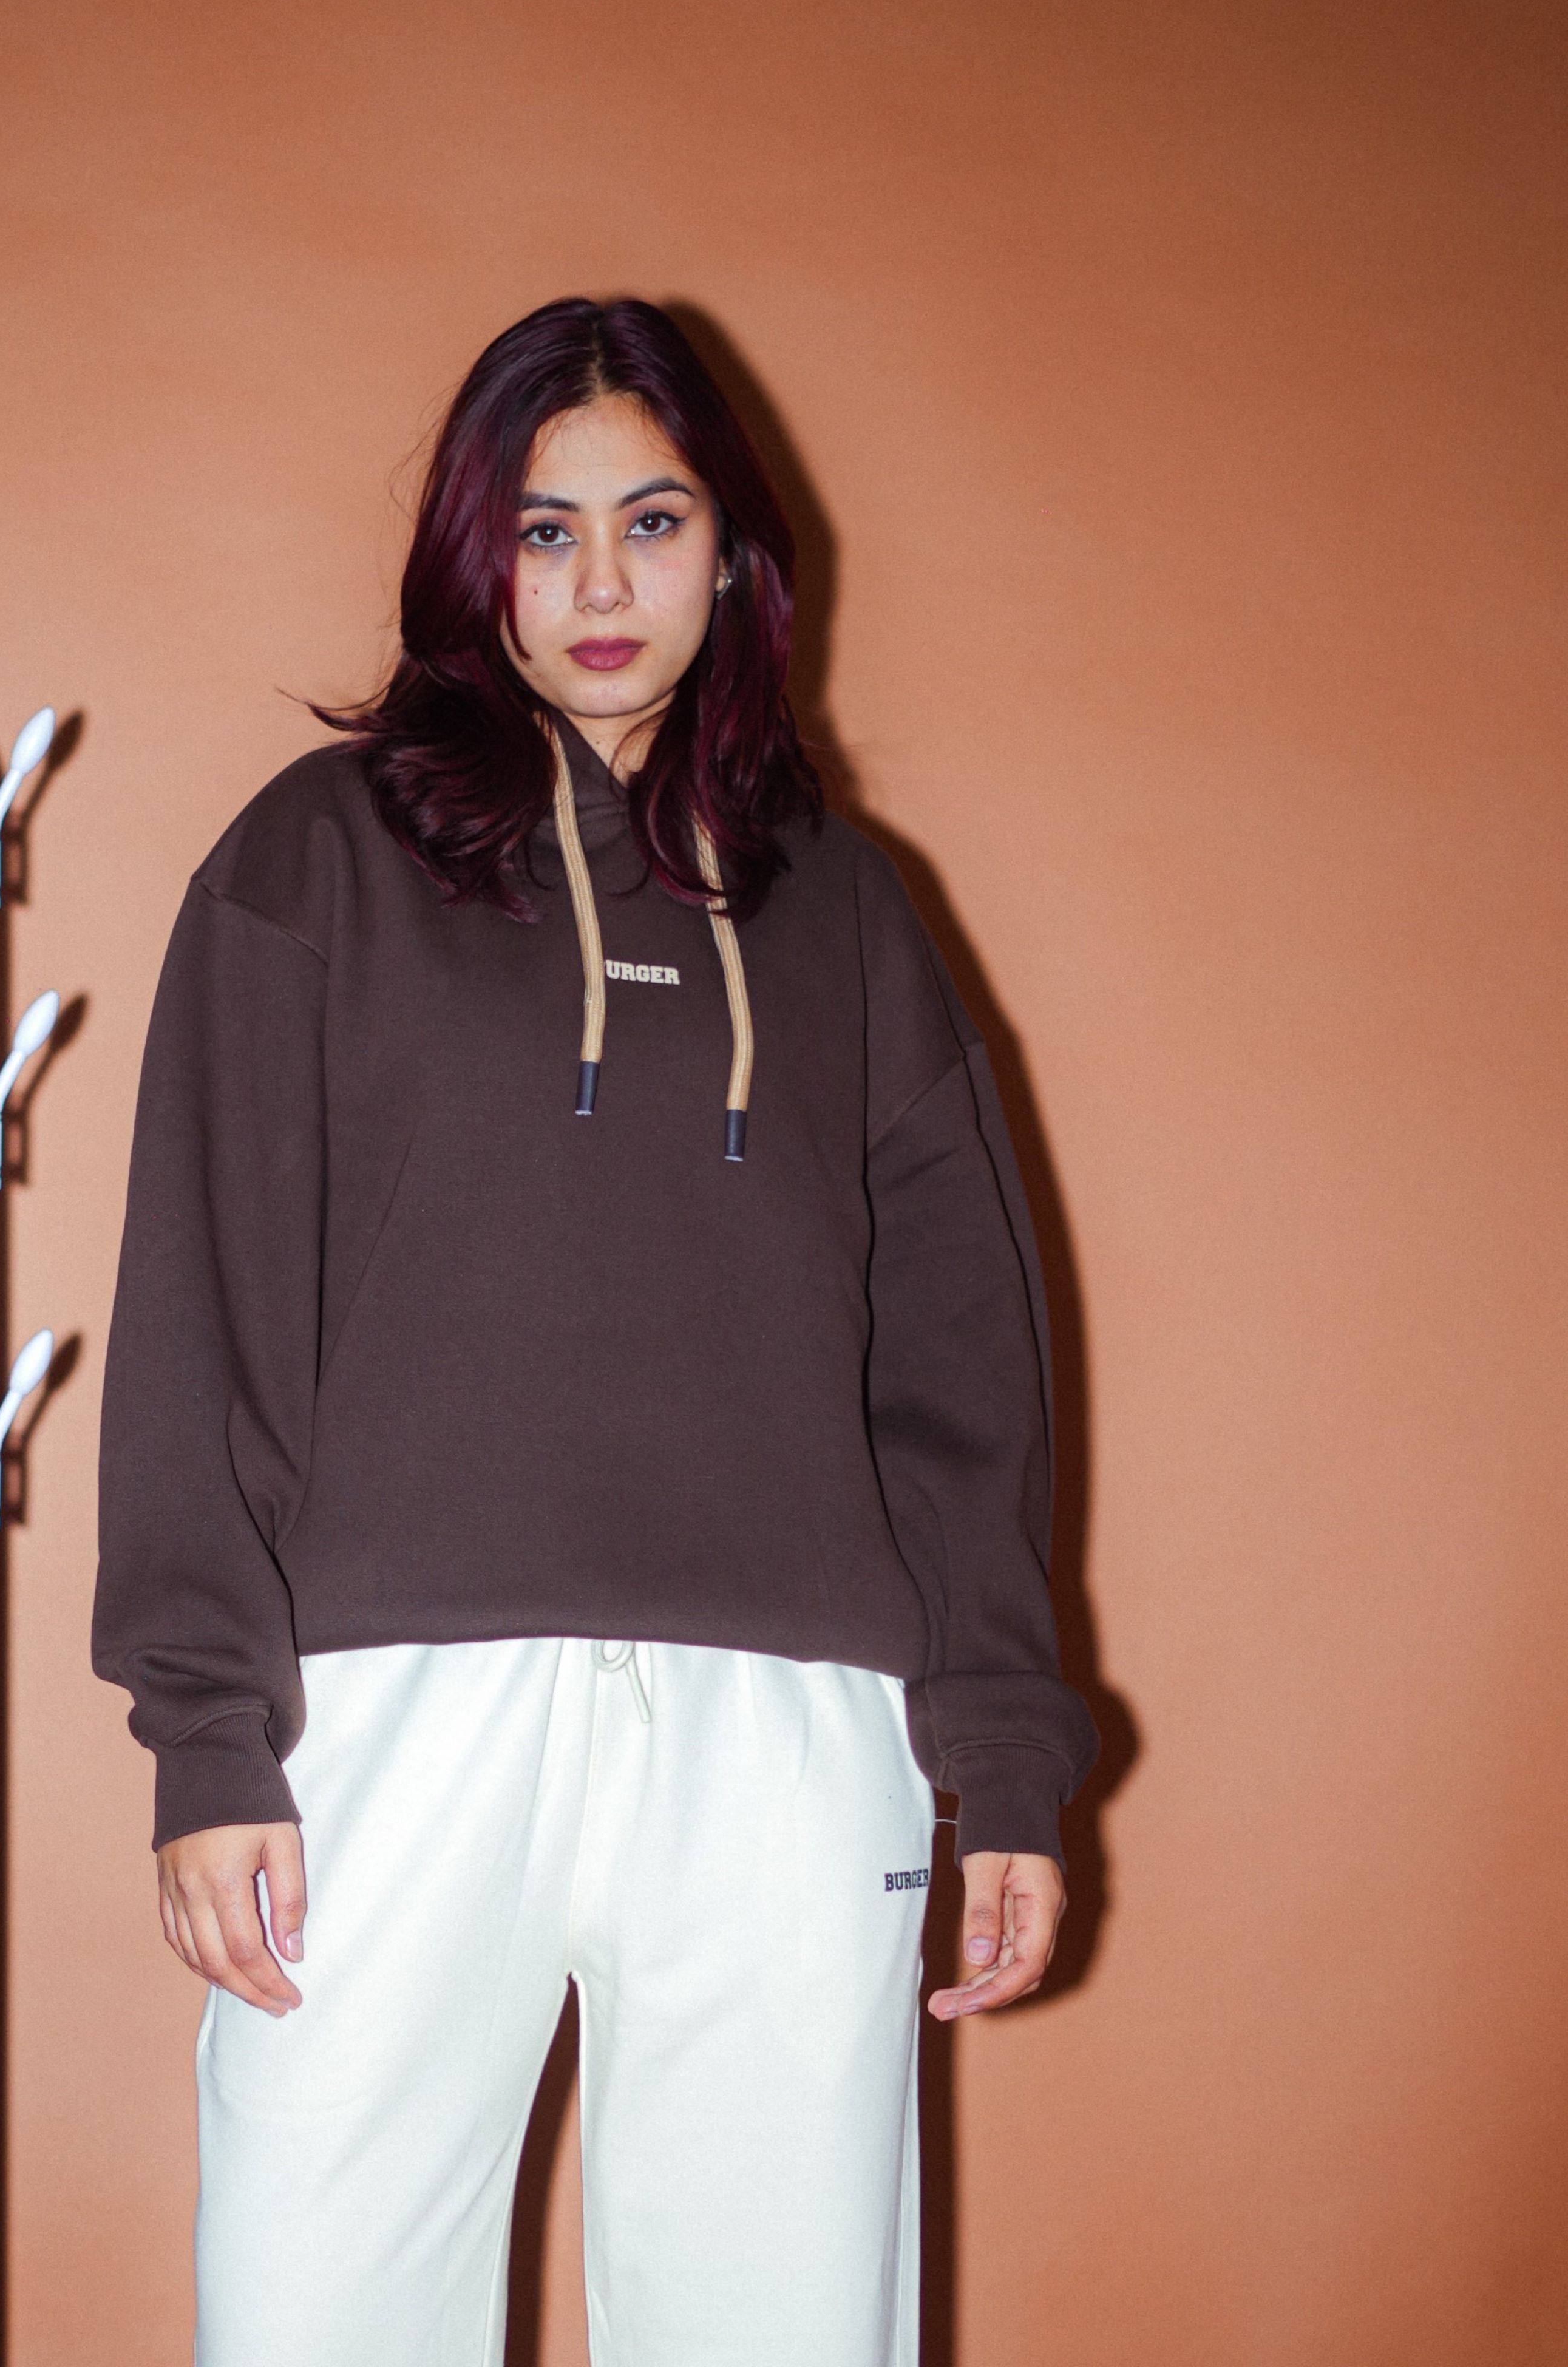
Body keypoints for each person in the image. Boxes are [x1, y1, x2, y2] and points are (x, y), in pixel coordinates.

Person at [93, 294, 1098, 2367]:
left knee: (782, 2330)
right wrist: (207, 1735)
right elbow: (205, 1308)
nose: (603, 584)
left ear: (734, 554)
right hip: (390, 1722)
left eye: (652, 522)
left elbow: (963, 1376)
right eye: (545, 534)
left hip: (790, 1731)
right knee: (319, 2321)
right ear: (479, 564)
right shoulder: (316, 861)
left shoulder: (848, 915)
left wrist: (1001, 1757)